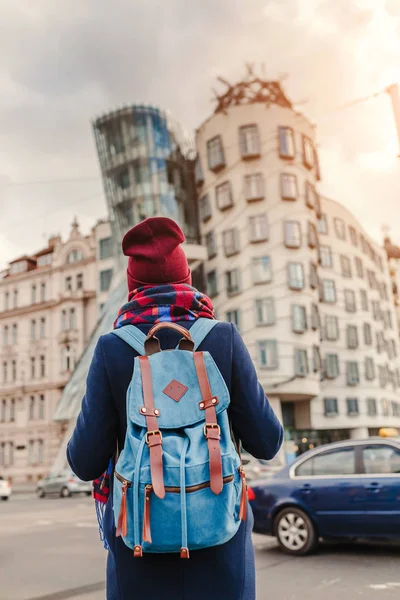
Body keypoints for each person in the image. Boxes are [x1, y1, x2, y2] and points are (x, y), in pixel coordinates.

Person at [67, 217, 283, 600]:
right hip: (222, 552)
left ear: (133, 286)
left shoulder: (111, 349)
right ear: (187, 279)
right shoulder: (223, 339)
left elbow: (84, 462)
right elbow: (267, 442)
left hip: (139, 549)